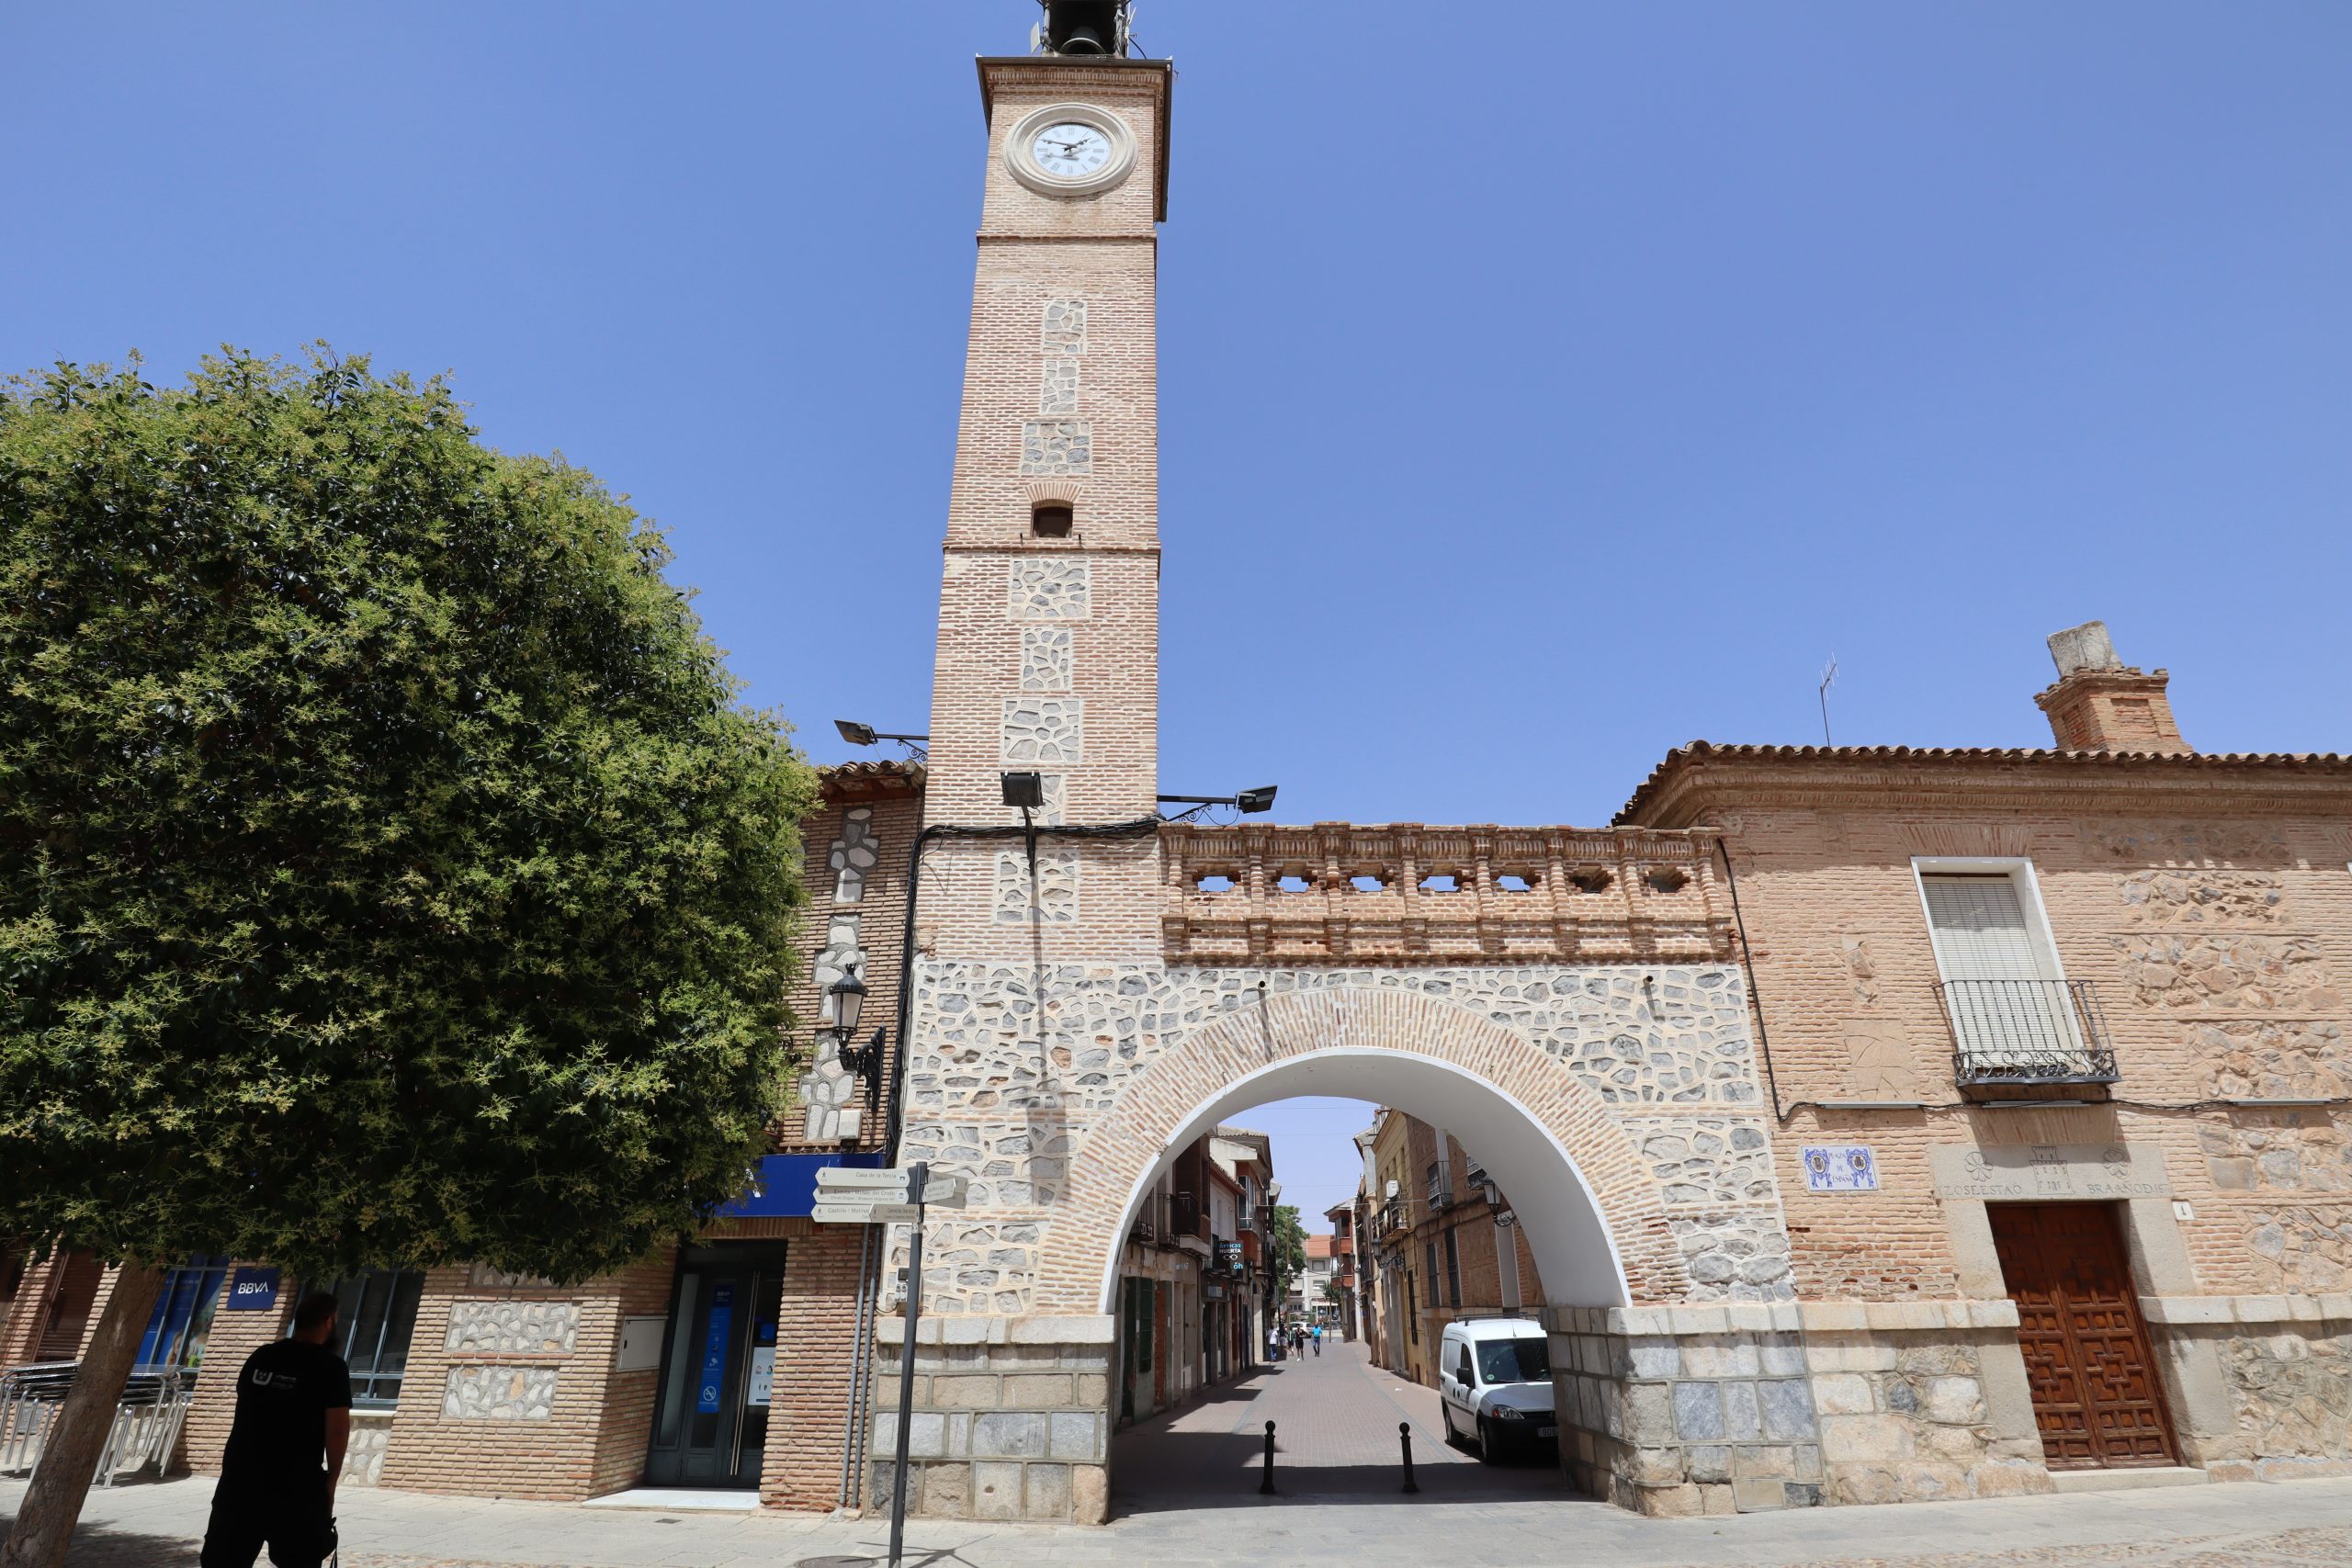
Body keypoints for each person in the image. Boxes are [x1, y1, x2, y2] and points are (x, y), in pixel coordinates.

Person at [201, 1290, 351, 1568]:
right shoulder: (330, 1367)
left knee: (223, 1559)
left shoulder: (261, 1356)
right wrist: (330, 1482)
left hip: (240, 1482)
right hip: (295, 1487)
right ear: (329, 1322)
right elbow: (338, 1431)